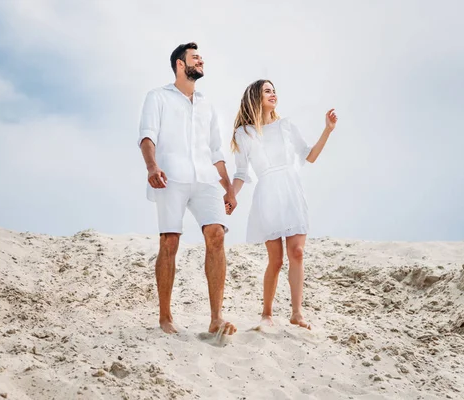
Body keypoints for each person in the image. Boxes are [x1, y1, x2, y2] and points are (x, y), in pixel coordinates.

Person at [138, 42, 237, 336]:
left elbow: (216, 150)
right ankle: (165, 318)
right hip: (171, 176)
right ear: (180, 64)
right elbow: (147, 136)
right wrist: (151, 167)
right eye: (195, 57)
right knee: (169, 242)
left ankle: (216, 317)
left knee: (216, 234)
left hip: (205, 178)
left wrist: (229, 188)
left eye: (201, 57)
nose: (201, 60)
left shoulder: (207, 104)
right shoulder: (157, 97)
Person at [229, 79, 338, 329]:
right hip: (267, 194)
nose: (273, 94)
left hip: (291, 191)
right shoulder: (243, 133)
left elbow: (309, 155)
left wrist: (328, 130)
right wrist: (232, 195)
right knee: (276, 260)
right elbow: (241, 172)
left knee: (297, 252)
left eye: (274, 91)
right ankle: (266, 314)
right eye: (267, 91)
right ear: (255, 97)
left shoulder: (286, 126)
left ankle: (297, 313)